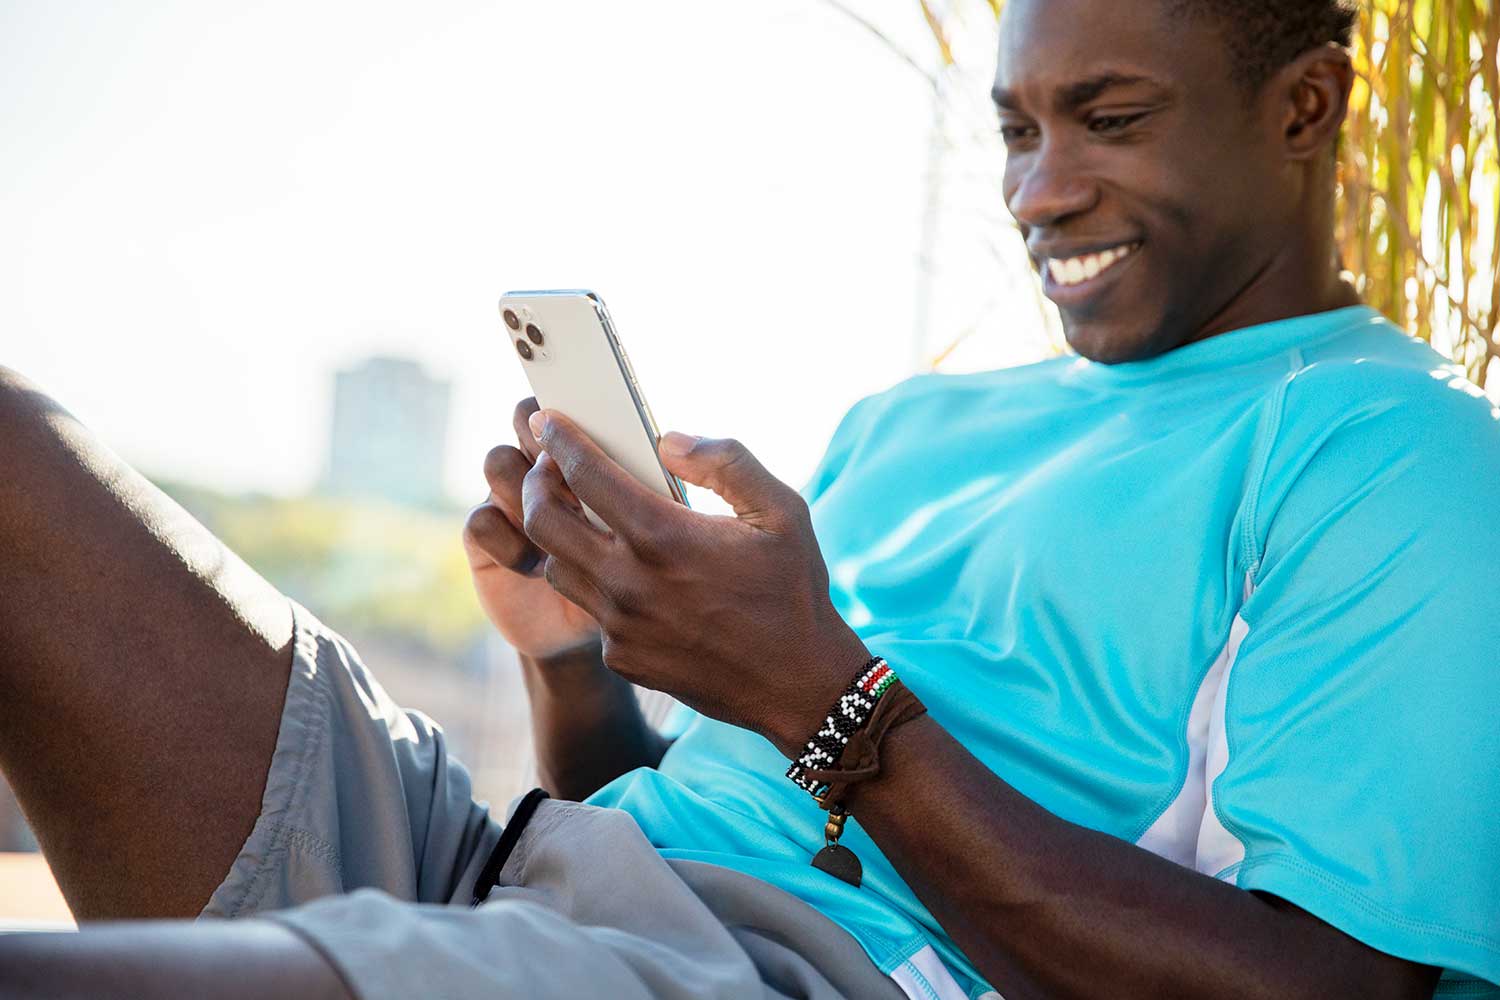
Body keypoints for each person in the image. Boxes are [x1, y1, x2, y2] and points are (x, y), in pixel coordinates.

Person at [1, 0, 1495, 996]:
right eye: (1017, 131)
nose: (1040, 190)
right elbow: (677, 802)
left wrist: (826, 694)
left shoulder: (1390, 453)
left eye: (1106, 119)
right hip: (514, 865)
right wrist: (575, 653)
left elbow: (1331, 985)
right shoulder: (913, 420)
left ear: (1304, 108)